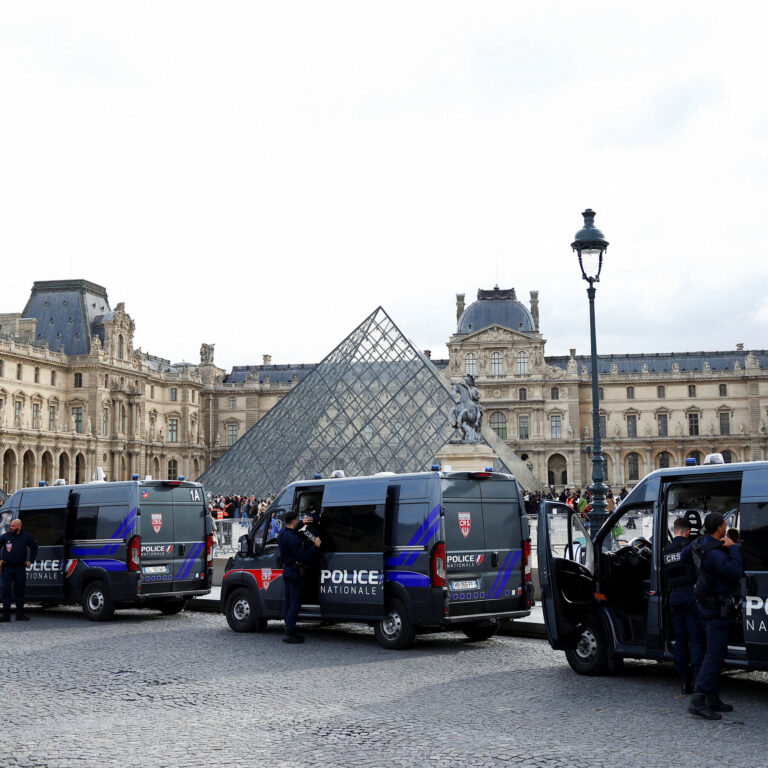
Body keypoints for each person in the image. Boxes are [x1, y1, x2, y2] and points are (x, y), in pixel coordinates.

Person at [683, 512, 744, 720]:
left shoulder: (699, 544)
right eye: (725, 523)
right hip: (716, 608)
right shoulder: (716, 551)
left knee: (713, 653)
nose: (726, 526)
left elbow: (684, 557)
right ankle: (698, 700)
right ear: (719, 527)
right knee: (714, 655)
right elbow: (735, 570)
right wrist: (734, 549)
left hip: (702, 604)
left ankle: (712, 698)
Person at [663, 517, 705, 694]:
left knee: (680, 640)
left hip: (674, 596)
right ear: (688, 532)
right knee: (695, 639)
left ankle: (683, 680)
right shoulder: (690, 548)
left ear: (674, 531)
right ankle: (696, 677)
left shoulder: (666, 550)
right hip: (690, 594)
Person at [277, 510, 321, 644]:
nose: (299, 521)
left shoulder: (282, 534)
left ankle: (289, 628)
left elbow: (293, 529)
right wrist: (315, 547)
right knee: (295, 603)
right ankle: (289, 632)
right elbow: (303, 557)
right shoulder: (294, 538)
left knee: (289, 602)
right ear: (294, 520)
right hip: (296, 572)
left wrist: (302, 522)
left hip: (287, 570)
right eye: (298, 519)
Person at [0, 518, 39, 622]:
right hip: (7, 568)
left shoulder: (27, 537)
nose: (11, 528)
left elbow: (34, 547)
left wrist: (31, 560)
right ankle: (6, 615)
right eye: (11, 526)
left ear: (19, 526)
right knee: (5, 591)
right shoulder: (6, 536)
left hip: (20, 568)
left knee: (20, 592)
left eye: (13, 526)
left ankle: (20, 615)